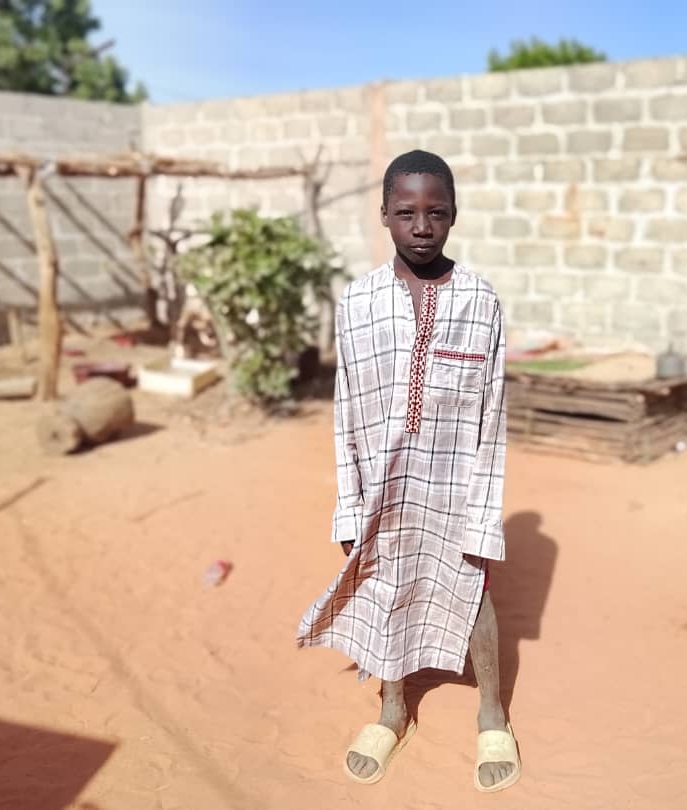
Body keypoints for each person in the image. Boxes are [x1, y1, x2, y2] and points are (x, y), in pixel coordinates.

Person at [297, 150, 519, 793]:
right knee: (386, 588)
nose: (421, 227)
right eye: (405, 213)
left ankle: (492, 712)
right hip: (382, 487)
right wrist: (349, 504)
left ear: (454, 215)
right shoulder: (358, 301)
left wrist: (483, 513)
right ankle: (392, 709)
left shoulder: (479, 300)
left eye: (436, 212)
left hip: (454, 485)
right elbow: (346, 410)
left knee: (471, 590)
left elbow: (493, 414)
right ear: (384, 216)